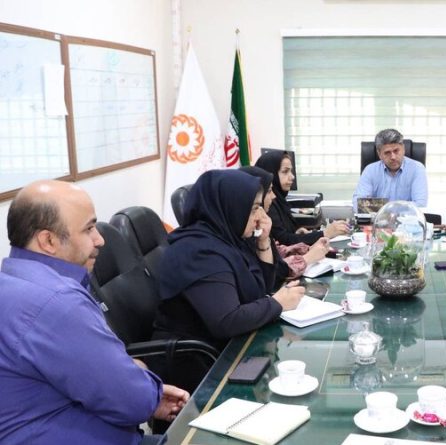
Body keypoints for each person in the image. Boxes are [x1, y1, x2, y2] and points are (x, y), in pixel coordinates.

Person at [0, 180, 189, 445]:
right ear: (48, 241)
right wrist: (140, 378)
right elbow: (133, 400)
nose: (100, 239)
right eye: (89, 229)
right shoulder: (58, 302)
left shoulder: (12, 280)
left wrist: (137, 384)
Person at [152, 169, 305, 392]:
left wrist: (263, 242)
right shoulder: (198, 251)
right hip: (198, 365)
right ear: (231, 206)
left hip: (230, 347)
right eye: (254, 208)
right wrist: (278, 303)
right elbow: (227, 320)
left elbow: (263, 287)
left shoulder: (229, 237)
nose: (260, 216)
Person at [239, 165, 330, 283]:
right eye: (269, 191)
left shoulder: (257, 225)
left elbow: (277, 252)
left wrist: (306, 249)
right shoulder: (243, 237)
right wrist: (308, 258)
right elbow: (275, 274)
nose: (274, 196)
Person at [255, 150, 350, 245]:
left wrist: (296, 232)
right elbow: (284, 240)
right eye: (285, 171)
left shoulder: (280, 200)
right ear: (271, 173)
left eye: (290, 171)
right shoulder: (267, 204)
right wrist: (326, 233)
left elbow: (286, 236)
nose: (292, 176)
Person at [353, 128, 428, 209]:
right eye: (387, 153)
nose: (393, 157)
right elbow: (358, 204)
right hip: (378, 217)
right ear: (379, 154)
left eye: (396, 151)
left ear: (403, 149)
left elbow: (420, 205)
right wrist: (399, 207)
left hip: (406, 217)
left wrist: (379, 206)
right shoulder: (370, 170)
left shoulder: (417, 168)